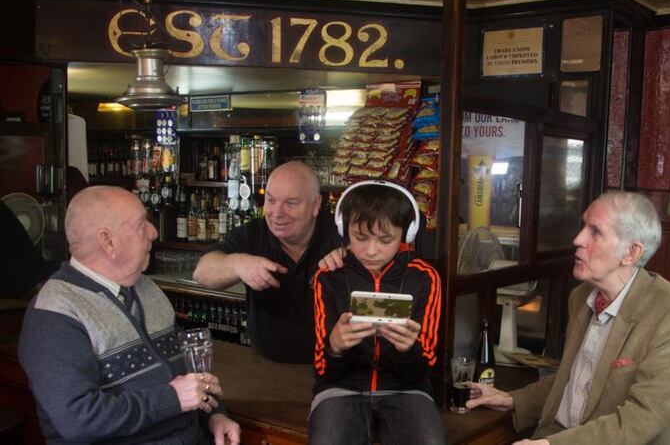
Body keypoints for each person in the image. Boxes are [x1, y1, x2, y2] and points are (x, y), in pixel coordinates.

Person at [467, 191, 670, 445]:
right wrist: (512, 399)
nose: (578, 239)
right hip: (556, 435)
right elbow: (575, 380)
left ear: (631, 252)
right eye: (583, 227)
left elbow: (645, 416)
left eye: (596, 232)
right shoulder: (581, 297)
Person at [17, 186, 240, 444]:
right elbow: (77, 418)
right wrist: (171, 399)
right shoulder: (54, 314)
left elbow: (185, 373)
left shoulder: (147, 288)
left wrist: (213, 414)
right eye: (141, 224)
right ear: (108, 241)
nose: (154, 232)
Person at [308, 180, 446, 445]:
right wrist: (334, 346)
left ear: (406, 235)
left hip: (408, 390)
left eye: (385, 240)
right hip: (340, 389)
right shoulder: (329, 276)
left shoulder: (425, 278)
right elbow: (322, 369)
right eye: (360, 237)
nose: (371, 250)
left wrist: (409, 349)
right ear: (344, 230)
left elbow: (425, 367)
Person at [193, 161, 339, 363]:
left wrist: (353, 260)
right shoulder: (253, 234)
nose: (277, 213)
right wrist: (238, 264)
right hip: (267, 366)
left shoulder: (340, 233)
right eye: (270, 200)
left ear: (316, 205)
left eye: (291, 203)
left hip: (336, 367)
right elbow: (202, 273)